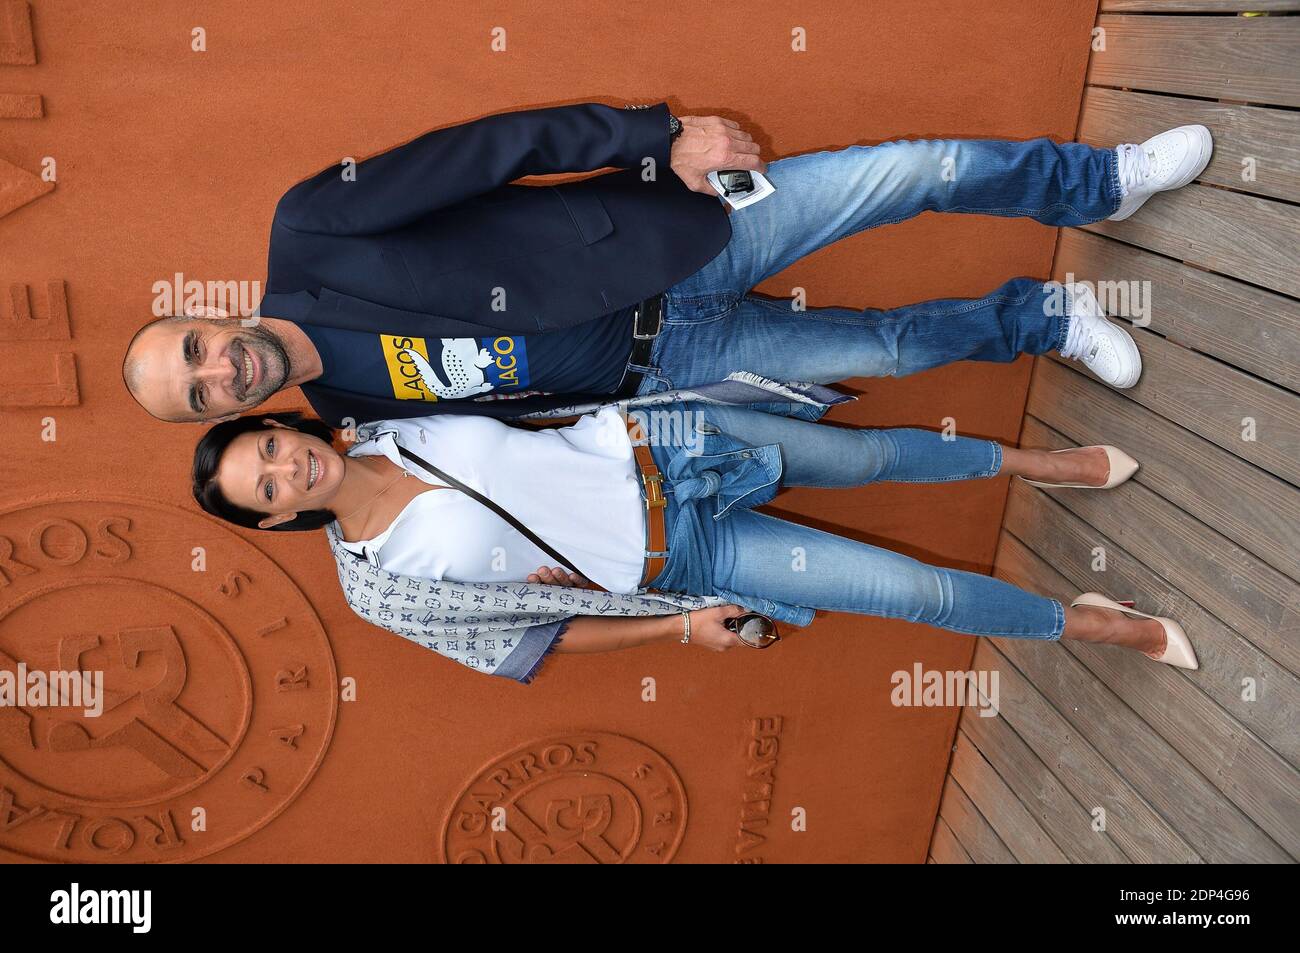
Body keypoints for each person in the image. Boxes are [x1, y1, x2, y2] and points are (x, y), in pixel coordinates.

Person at [123, 100, 1213, 426]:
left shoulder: (310, 227)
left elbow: (493, 151)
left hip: (675, 236)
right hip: (672, 362)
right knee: (884, 346)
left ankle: (1100, 183)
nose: (220, 372)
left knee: (907, 170)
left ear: (208, 315)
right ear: (219, 411)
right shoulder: (346, 413)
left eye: (195, 350)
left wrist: (657, 142)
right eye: (199, 396)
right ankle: (1047, 321)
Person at [189, 400, 1198, 684]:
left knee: (867, 456)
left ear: (285, 427)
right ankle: (1091, 624)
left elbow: (529, 409)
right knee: (910, 592)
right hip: (683, 559)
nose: (285, 470)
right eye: (266, 489)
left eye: (269, 449)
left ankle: (1030, 464)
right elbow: (532, 643)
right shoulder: (382, 587)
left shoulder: (377, 422)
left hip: (672, 445)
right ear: (276, 517)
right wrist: (676, 632)